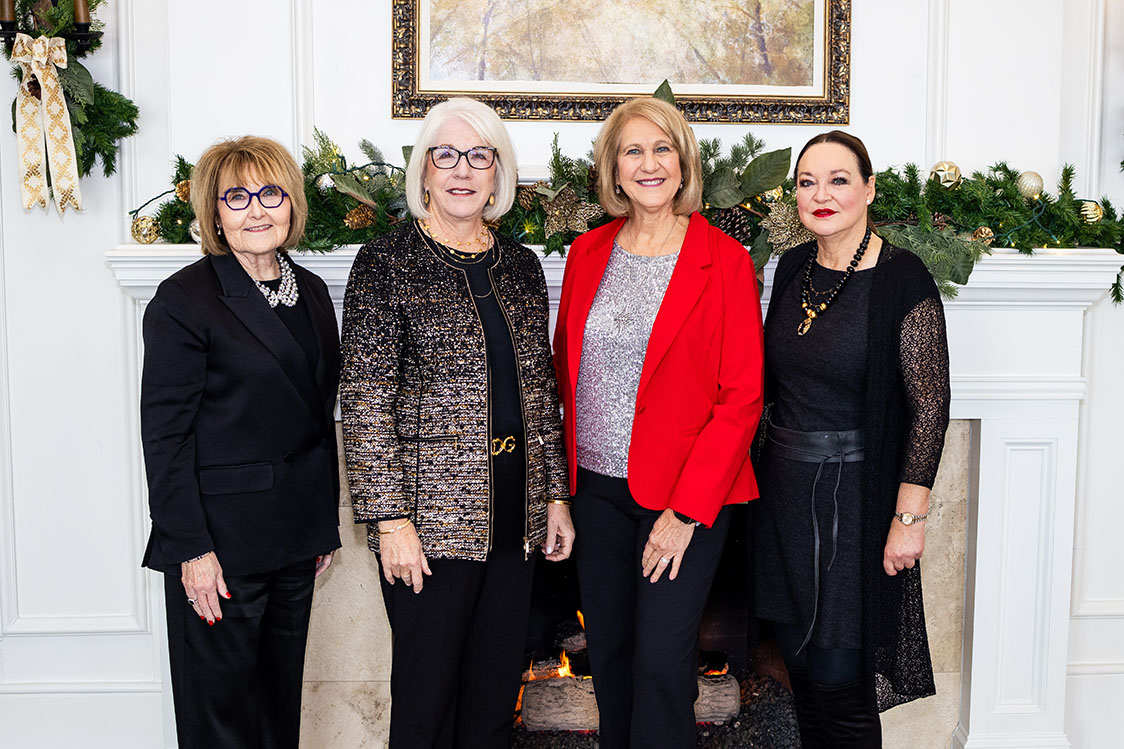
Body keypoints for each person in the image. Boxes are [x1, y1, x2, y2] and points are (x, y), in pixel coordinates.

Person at [339, 97, 574, 749]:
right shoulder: (385, 262)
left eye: (479, 156)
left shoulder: (522, 267)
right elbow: (364, 400)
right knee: (425, 707)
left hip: (514, 518)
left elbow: (539, 392)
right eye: (446, 154)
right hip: (429, 527)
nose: (462, 169)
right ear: (425, 171)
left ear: (497, 174)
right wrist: (390, 520)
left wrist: (555, 494)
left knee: (494, 703)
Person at [552, 96, 765, 748]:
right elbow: (563, 372)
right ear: (613, 171)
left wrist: (686, 512)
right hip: (597, 492)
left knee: (661, 663)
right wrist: (560, 492)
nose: (649, 164)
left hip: (684, 497)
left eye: (662, 148)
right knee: (609, 657)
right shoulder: (587, 253)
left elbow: (742, 398)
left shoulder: (723, 260)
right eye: (633, 151)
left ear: (683, 164)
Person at [140, 136, 341, 748]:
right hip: (221, 547)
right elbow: (165, 437)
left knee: (278, 711)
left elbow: (316, 420)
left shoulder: (310, 290)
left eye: (271, 193)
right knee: (221, 721)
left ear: (292, 203)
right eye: (237, 197)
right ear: (215, 213)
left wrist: (322, 524)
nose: (257, 210)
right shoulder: (184, 299)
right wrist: (190, 549)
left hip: (294, 540)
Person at [753, 130, 951, 747]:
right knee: (803, 674)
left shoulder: (903, 278)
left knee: (841, 679)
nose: (822, 194)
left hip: (854, 503)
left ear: (869, 188)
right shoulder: (791, 267)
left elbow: (930, 403)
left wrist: (909, 517)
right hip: (781, 497)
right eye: (808, 182)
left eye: (839, 180)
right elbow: (770, 389)